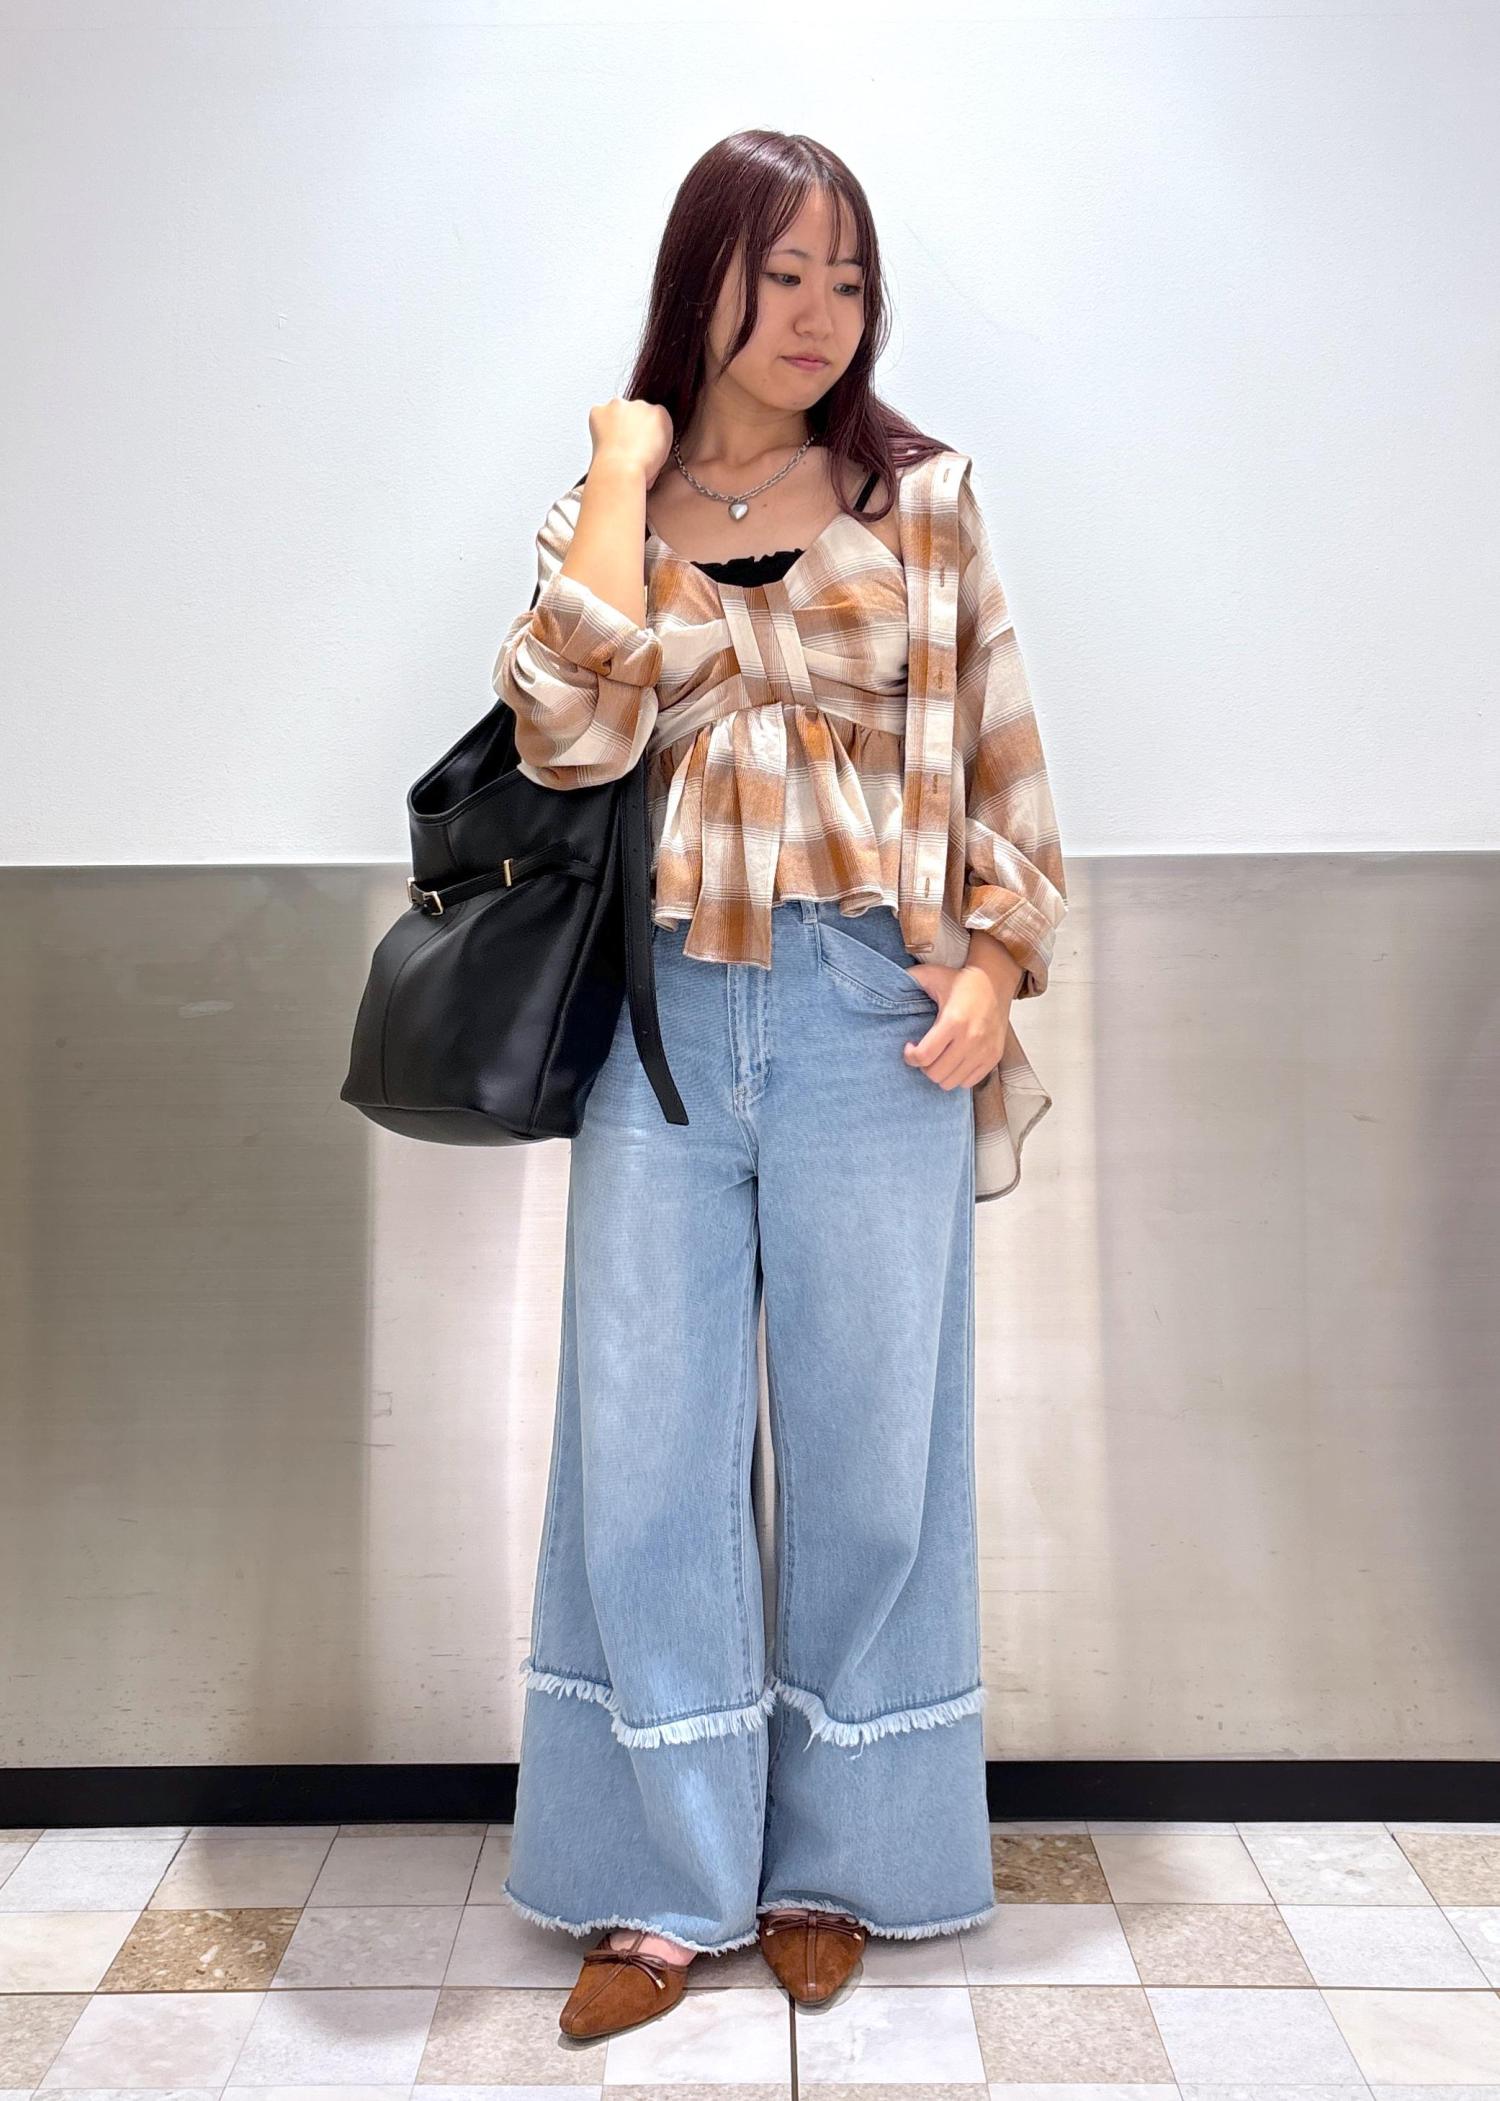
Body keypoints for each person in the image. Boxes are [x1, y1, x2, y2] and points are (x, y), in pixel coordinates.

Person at [490, 128, 1068, 2043]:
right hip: (658, 1020)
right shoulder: (612, 506)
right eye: (782, 270)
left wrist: (993, 963)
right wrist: (623, 466)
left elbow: (1003, 749)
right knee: (642, 1443)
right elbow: (563, 734)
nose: (820, 312)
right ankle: (662, 1879)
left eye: (848, 277)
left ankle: (841, 1860)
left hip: (864, 1007)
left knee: (874, 1444)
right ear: (705, 277)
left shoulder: (923, 500)